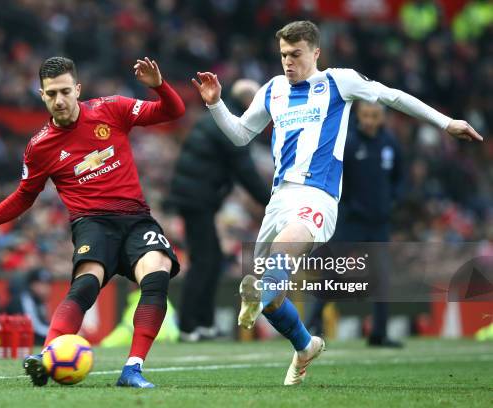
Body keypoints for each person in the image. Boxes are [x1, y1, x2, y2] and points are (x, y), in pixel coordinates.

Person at [191, 20, 482, 385]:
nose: (288, 63)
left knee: (275, 269)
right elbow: (240, 135)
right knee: (269, 297)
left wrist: (446, 122)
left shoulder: (337, 82)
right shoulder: (273, 90)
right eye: (283, 55)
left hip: (317, 197)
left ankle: (266, 296)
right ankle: (304, 345)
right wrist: (216, 104)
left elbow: (392, 96)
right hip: (279, 199)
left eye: (296, 55)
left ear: (315, 53)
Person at [0, 56, 185, 388]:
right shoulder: (39, 147)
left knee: (157, 274)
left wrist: (159, 86)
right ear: (42, 96)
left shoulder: (111, 109)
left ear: (77, 89)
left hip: (135, 219)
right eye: (50, 93)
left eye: (64, 91)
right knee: (86, 284)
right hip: (92, 223)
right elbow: (23, 197)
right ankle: (47, 359)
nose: (59, 100)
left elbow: (173, 112)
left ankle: (132, 369)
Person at [167, 79, 270, 342]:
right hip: (197, 199)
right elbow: (245, 171)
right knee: (204, 261)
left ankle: (204, 323)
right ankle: (190, 326)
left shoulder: (217, 117)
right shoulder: (231, 123)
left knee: (210, 259)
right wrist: (272, 201)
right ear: (248, 100)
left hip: (194, 198)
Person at [305, 101, 405, 348]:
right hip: (351, 222)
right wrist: (346, 207)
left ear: (381, 117)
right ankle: (312, 323)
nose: (369, 120)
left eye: (374, 116)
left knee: (382, 276)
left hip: (379, 223)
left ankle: (378, 334)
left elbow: (400, 178)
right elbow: (336, 178)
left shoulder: (390, 144)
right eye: (365, 115)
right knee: (333, 271)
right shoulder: (348, 144)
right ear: (358, 116)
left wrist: (393, 200)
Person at [7, 267, 53, 345]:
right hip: (13, 344)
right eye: (41, 284)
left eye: (47, 284)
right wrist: (59, 333)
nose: (45, 288)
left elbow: (45, 324)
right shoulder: (25, 299)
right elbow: (36, 327)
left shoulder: (41, 302)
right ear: (31, 285)